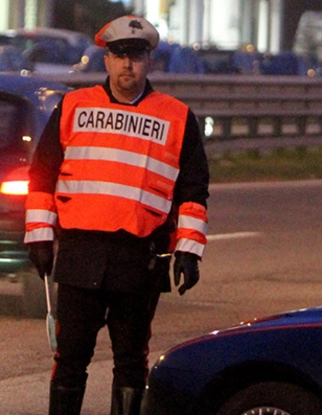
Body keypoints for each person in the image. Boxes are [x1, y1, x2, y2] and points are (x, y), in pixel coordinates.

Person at [24, 16, 209, 415]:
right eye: (120, 55)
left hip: (139, 258)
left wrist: (189, 252)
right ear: (107, 60)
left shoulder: (177, 117)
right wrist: (39, 236)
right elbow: (43, 175)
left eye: (137, 56)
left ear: (150, 62)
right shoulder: (74, 106)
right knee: (70, 359)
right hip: (80, 253)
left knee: (130, 363)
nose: (128, 64)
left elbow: (193, 191)